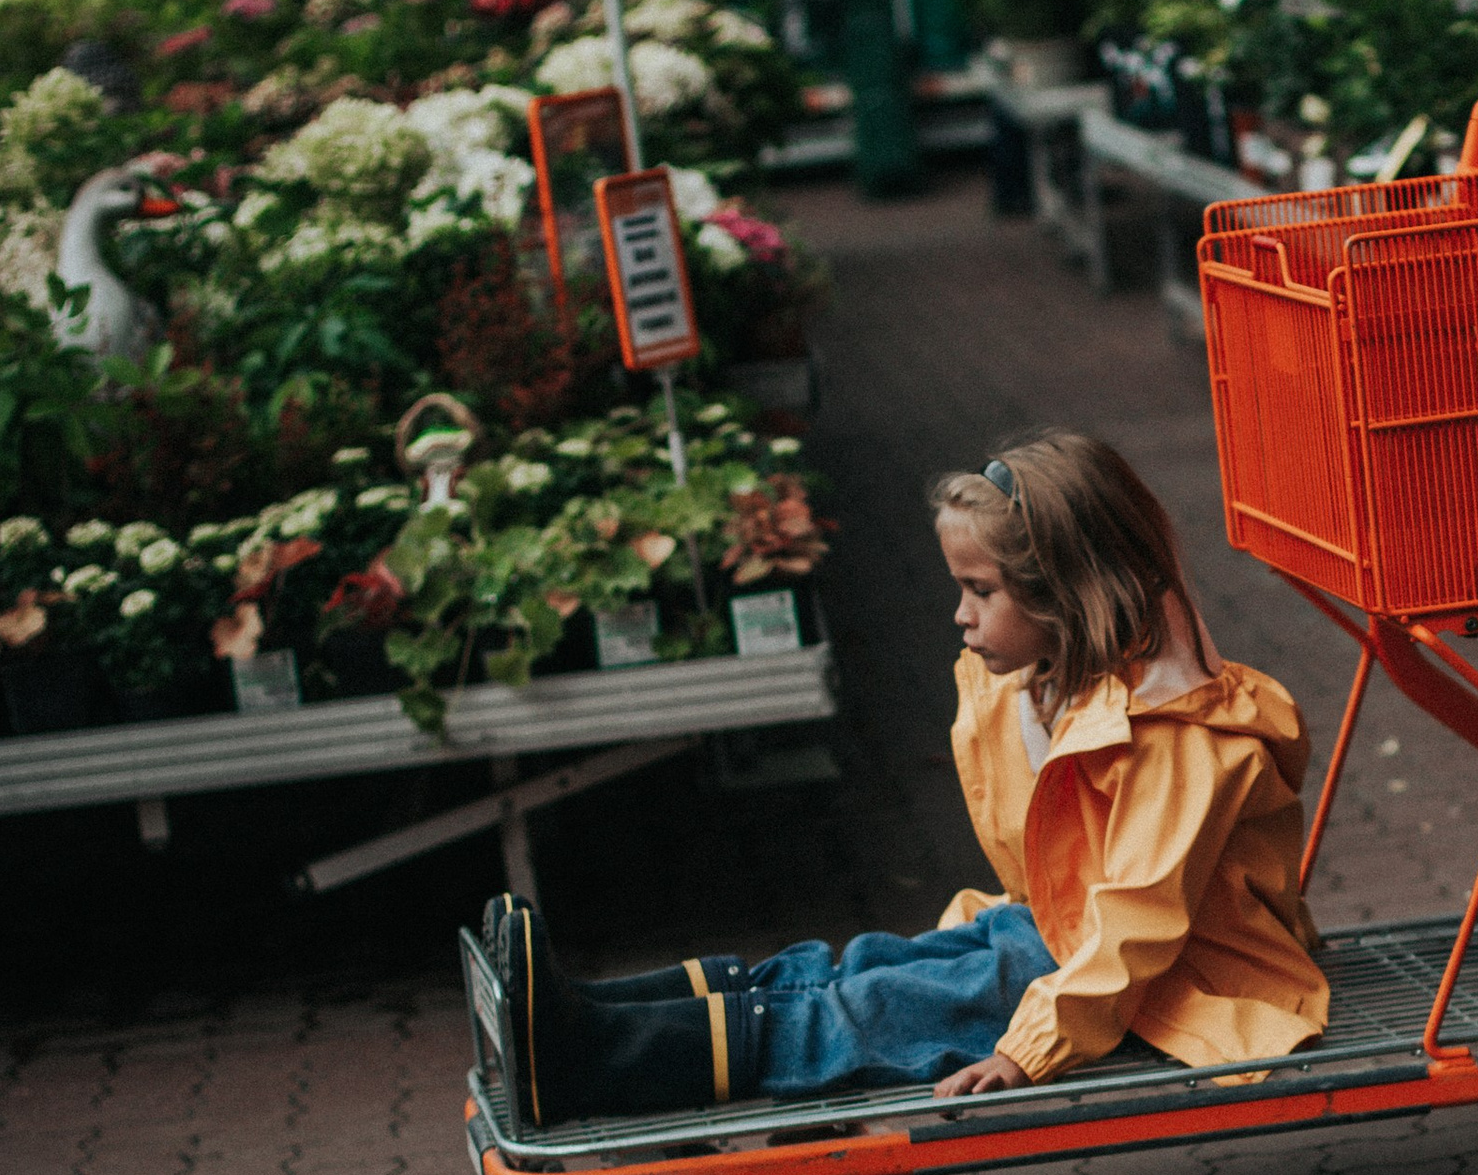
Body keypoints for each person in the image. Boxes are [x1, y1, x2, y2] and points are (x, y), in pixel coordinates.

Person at [483, 432, 1330, 1126]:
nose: (960, 615)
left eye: (979, 591)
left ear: (1069, 595)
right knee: (858, 966)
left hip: (1172, 986)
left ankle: (591, 1062)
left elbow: (1139, 927)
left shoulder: (1185, 741)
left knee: (865, 1014)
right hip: (1065, 945)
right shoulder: (1059, 682)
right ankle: (584, 1016)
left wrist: (1026, 1050)